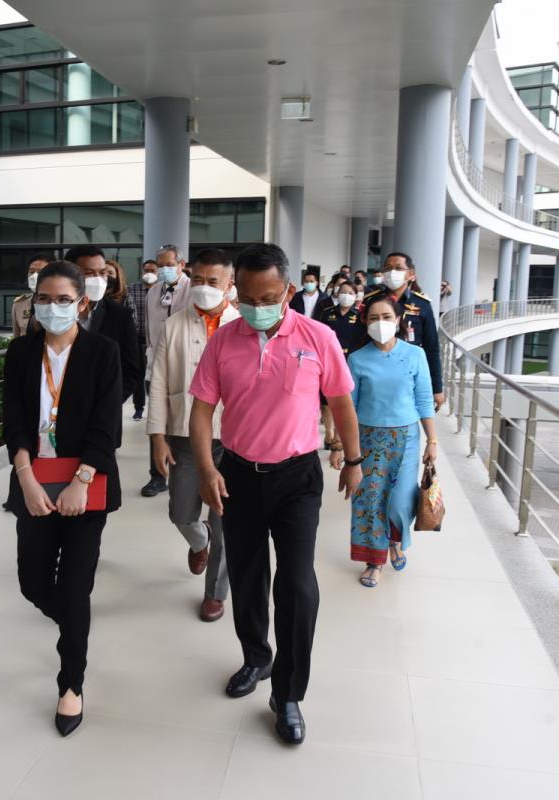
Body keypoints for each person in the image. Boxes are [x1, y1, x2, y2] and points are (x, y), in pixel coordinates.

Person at [189, 242, 363, 745]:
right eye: (246, 297)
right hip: (238, 475)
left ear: (287, 290)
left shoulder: (318, 336)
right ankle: (256, 658)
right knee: (247, 577)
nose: (257, 306)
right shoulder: (224, 340)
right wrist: (206, 468)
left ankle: (287, 693)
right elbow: (201, 410)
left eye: (268, 297)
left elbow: (341, 404)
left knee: (298, 585)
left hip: (297, 478)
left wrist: (354, 460)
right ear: (235, 292)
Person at [2, 260, 124, 737]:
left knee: (75, 588)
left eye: (63, 300)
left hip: (84, 484)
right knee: (33, 583)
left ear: (82, 303)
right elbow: (13, 420)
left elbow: (106, 426)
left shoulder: (102, 351)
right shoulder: (20, 352)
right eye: (44, 299)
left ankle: (70, 682)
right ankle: (76, 625)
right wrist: (26, 479)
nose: (52, 308)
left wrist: (82, 480)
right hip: (33, 479)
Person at [147, 248, 239, 622]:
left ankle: (215, 594)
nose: (204, 287)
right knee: (181, 513)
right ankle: (199, 542)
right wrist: (157, 436)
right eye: (198, 279)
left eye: (213, 281)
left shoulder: (242, 325)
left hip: (233, 441)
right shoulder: (174, 324)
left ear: (229, 284)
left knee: (225, 522)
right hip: (184, 435)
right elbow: (158, 382)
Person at [347, 296, 437, 588]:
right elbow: (349, 407)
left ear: (398, 320)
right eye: (373, 318)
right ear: (365, 322)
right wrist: (345, 450)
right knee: (370, 500)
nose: (380, 323)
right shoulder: (356, 359)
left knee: (400, 502)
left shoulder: (415, 355)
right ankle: (374, 561)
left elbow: (424, 399)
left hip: (406, 438)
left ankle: (395, 541)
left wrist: (432, 440)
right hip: (368, 439)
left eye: (386, 317)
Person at [352, 252, 445, 410]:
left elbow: (431, 348)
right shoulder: (371, 300)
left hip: (407, 372)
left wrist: (437, 388)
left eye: (398, 268)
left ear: (410, 274)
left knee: (404, 412)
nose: (392, 272)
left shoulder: (422, 304)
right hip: (373, 370)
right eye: (388, 268)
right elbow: (357, 339)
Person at [142, 244, 192, 497]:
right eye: (160, 265)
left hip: (185, 365)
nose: (163, 270)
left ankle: (185, 472)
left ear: (181, 265)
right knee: (157, 420)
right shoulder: (153, 292)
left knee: (184, 421)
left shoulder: (192, 290)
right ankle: (157, 476)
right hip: (156, 365)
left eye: (169, 265)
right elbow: (149, 329)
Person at [64, 245, 141, 407]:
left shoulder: (120, 316)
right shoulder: (53, 311)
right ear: (69, 274)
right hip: (57, 405)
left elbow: (131, 369)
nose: (98, 279)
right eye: (89, 273)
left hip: (103, 408)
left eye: (102, 272)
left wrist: (110, 403)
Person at [128, 260, 158, 422]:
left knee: (156, 374)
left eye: (153, 270)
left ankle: (156, 408)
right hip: (137, 337)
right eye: (147, 270)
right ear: (142, 271)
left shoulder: (162, 290)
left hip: (156, 338)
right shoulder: (132, 289)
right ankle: (138, 408)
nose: (149, 273)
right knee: (139, 374)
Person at [11, 253, 52, 337]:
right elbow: (17, 336)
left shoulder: (61, 304)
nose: (34, 276)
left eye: (40, 272)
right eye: (31, 272)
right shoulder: (19, 304)